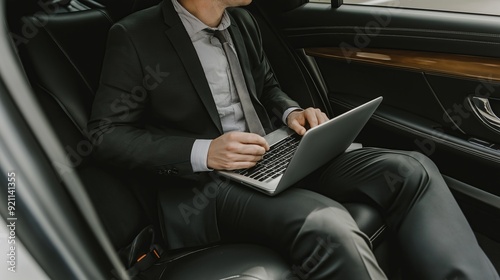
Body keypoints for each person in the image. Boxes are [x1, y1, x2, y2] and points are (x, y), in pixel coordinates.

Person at [87, 0, 500, 279]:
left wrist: (291, 111)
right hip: (208, 186)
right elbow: (106, 136)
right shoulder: (135, 36)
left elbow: (266, 86)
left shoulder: (244, 22)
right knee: (327, 224)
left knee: (412, 168)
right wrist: (205, 152)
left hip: (278, 151)